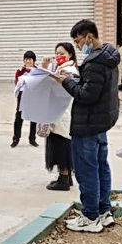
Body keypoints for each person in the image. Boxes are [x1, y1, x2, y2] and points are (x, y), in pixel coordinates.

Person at [51, 19, 119, 233]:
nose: (78, 46)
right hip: (101, 123)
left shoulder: (96, 62)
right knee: (101, 167)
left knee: (87, 171)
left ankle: (90, 216)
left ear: (89, 37)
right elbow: (94, 87)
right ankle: (103, 211)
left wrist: (66, 82)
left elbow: (87, 95)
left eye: (78, 41)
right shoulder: (109, 56)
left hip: (87, 124)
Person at [45, 42, 78, 191]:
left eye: (62, 53)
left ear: (70, 54)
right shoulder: (61, 68)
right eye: (57, 53)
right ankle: (65, 176)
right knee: (60, 143)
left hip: (62, 113)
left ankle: (64, 178)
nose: (59, 56)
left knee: (61, 145)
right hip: (60, 113)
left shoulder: (68, 71)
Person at [11, 51, 38, 148]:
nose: (28, 61)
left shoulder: (38, 71)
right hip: (22, 98)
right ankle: (16, 138)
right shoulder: (20, 71)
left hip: (34, 98)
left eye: (30, 59)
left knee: (34, 118)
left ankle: (32, 139)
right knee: (19, 118)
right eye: (26, 59)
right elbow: (17, 83)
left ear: (34, 60)